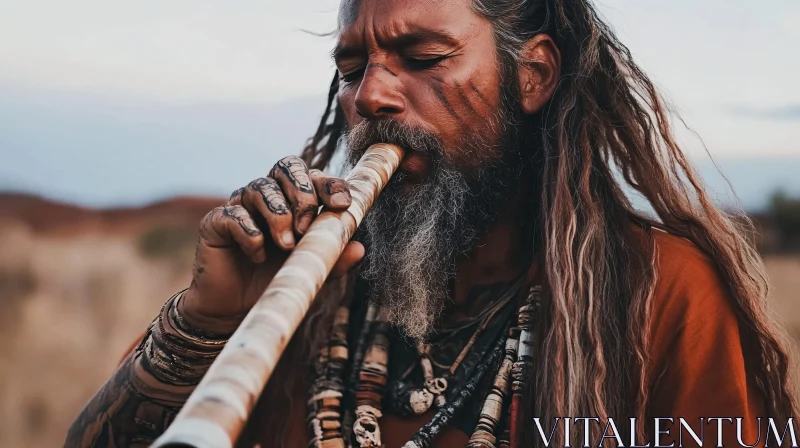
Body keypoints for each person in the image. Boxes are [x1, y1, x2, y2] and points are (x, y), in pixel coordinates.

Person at [65, 0, 797, 447]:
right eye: (353, 68)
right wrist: (207, 318)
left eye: (422, 57)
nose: (372, 95)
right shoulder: (302, 289)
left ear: (533, 77)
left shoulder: (660, 294)